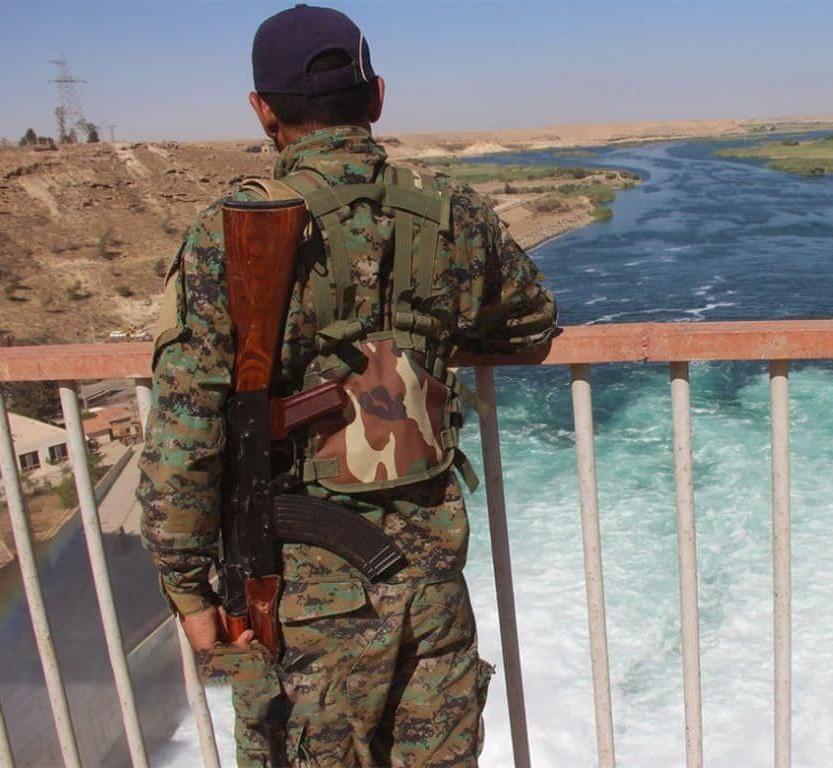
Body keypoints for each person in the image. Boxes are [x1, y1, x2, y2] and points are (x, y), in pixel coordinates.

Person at [138, 5, 557, 766]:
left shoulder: (231, 233)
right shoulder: (454, 213)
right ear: (377, 97)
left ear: (262, 110)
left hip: (304, 597)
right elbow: (529, 323)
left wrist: (187, 589)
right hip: (429, 578)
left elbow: (185, 431)